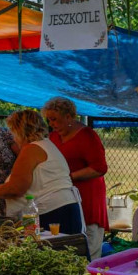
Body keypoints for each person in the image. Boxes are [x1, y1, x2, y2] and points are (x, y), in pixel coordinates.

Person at [0, 110, 84, 238]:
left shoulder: (31, 149)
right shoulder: (45, 144)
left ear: (19, 130)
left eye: (12, 130)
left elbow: (15, 188)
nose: (12, 135)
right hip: (61, 209)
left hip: (51, 212)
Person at [42, 98, 109, 261]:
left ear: (69, 117)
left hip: (88, 196)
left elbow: (99, 168)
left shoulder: (87, 135)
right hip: (64, 198)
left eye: (55, 119)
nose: (51, 123)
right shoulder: (53, 137)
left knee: (89, 243)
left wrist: (68, 177)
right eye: (48, 119)